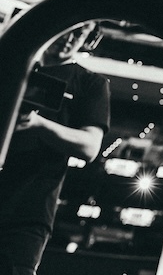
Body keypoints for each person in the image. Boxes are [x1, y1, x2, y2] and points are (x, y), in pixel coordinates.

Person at [0, 22, 110, 275]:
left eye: (79, 33)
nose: (69, 38)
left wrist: (39, 124)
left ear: (89, 39)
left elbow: (90, 146)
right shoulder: (13, 66)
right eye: (67, 29)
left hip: (27, 214)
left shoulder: (91, 83)